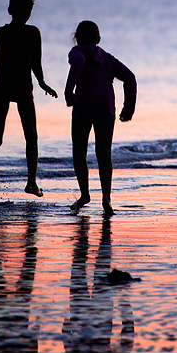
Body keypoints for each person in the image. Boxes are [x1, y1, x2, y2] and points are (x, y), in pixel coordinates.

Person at [0, 0, 57, 203]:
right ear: (29, 11)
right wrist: (42, 82)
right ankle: (31, 181)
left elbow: (1, 60)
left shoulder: (0, 33)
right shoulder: (33, 33)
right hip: (22, 86)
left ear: (10, 10)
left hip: (1, 84)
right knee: (31, 136)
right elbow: (35, 62)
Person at [64, 20, 136, 216]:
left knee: (79, 151)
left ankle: (85, 194)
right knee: (104, 153)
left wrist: (69, 91)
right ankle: (106, 197)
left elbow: (78, 62)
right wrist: (128, 107)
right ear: (99, 39)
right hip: (105, 107)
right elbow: (130, 77)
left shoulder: (76, 52)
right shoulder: (107, 58)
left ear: (76, 38)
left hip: (84, 105)